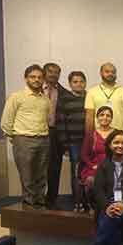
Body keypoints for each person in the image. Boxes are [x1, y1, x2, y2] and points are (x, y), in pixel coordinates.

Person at [0, 65, 50, 209]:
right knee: (27, 176)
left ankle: (40, 203)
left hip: (43, 139)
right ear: (26, 78)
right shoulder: (16, 97)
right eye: (33, 77)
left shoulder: (45, 99)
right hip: (24, 139)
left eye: (39, 77)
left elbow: (46, 119)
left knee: (41, 175)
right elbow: (6, 121)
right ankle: (29, 205)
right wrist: (16, 137)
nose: (36, 80)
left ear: (43, 80)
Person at [56, 71, 87, 212]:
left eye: (81, 81)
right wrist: (65, 145)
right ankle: (77, 202)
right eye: (75, 82)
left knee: (89, 171)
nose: (78, 84)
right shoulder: (64, 99)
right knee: (76, 172)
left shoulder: (89, 97)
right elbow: (60, 122)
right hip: (74, 143)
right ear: (70, 84)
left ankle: (88, 201)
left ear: (85, 83)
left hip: (89, 141)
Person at [43, 62, 69, 209]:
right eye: (50, 71)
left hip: (56, 133)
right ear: (44, 72)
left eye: (56, 72)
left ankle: (51, 200)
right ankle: (35, 200)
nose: (53, 74)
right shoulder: (36, 90)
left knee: (54, 168)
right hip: (37, 132)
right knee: (38, 167)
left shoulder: (64, 93)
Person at [85, 62, 123, 135]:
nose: (110, 74)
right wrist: (89, 136)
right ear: (101, 73)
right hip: (100, 135)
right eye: (107, 72)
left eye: (113, 72)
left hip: (121, 135)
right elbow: (89, 117)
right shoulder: (92, 92)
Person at [80, 105, 114, 204]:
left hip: (113, 167)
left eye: (108, 115)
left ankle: (112, 205)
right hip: (95, 168)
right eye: (102, 115)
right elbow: (84, 155)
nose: (105, 117)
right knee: (91, 180)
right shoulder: (91, 135)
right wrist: (92, 166)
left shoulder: (116, 134)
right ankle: (94, 205)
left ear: (111, 118)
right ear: (97, 117)